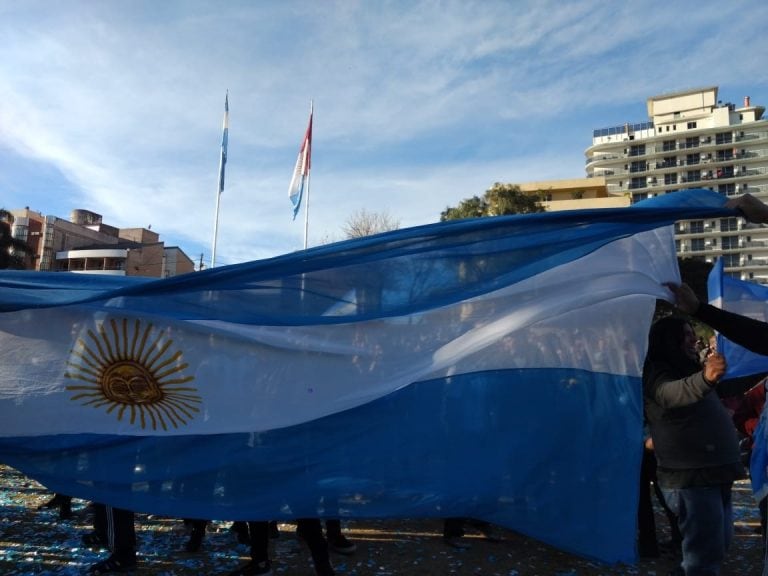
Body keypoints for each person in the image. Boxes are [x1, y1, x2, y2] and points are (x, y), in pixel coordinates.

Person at [643, 315, 744, 576]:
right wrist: (706, 379)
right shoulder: (656, 373)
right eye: (686, 335)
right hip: (692, 476)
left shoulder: (691, 369)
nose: (693, 339)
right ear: (669, 340)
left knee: (716, 547)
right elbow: (669, 394)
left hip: (717, 471)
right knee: (703, 558)